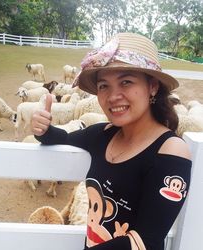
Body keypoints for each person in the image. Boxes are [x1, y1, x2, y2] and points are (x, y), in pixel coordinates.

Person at [31, 33, 192, 250]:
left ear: (152, 86)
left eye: (126, 82)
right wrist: (42, 129)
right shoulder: (102, 134)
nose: (113, 96)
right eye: (104, 85)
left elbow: (147, 240)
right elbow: (61, 138)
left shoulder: (171, 151)